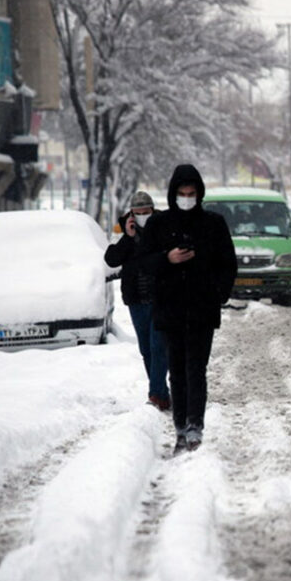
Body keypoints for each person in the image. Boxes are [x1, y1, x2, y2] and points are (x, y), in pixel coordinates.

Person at [139, 165, 237, 451]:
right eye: (181, 194)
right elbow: (143, 263)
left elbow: (228, 263)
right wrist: (167, 258)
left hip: (202, 309)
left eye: (191, 194)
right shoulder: (159, 225)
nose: (186, 198)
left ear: (199, 194)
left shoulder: (213, 224)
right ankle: (181, 425)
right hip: (170, 309)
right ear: (173, 194)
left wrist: (219, 293)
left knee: (197, 368)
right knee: (177, 370)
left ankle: (195, 425)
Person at [104, 191, 170, 411]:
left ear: (153, 210)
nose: (142, 216)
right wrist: (128, 237)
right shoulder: (122, 229)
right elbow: (111, 258)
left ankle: (155, 395)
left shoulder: (164, 226)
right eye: (138, 213)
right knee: (147, 349)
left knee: (158, 345)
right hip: (136, 299)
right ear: (131, 213)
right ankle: (161, 391)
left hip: (161, 297)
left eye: (146, 212)